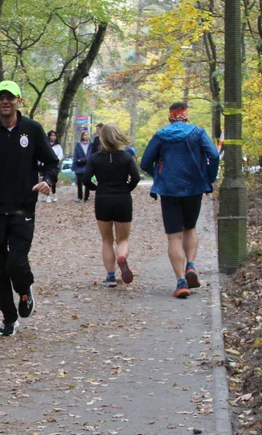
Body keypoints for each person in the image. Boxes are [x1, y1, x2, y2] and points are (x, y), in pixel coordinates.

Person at [0, 80, 59, 336]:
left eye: (10, 97)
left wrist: (47, 181)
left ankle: (25, 290)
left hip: (23, 207)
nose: (5, 101)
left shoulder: (32, 129)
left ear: (19, 101)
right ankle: (8, 317)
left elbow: (51, 162)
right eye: (1, 97)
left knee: (15, 263)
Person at [140, 101, 220, 298]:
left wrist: (159, 175)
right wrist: (207, 178)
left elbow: (144, 162)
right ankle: (191, 266)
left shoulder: (161, 135)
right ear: (186, 115)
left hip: (169, 190)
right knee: (190, 228)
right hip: (194, 188)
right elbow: (214, 156)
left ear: (170, 116)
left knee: (174, 236)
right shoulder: (198, 133)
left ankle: (181, 282)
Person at [85, 123, 141, 287]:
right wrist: (126, 189)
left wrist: (96, 188)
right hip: (122, 198)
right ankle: (121, 258)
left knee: (106, 240)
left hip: (103, 198)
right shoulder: (126, 157)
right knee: (122, 239)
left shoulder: (94, 158)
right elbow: (136, 178)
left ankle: (110, 276)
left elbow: (85, 179)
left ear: (101, 137)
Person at [72, 130, 93, 202]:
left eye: (87, 134)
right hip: (79, 165)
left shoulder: (91, 145)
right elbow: (75, 155)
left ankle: (86, 198)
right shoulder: (78, 145)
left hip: (88, 166)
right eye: (85, 135)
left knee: (87, 181)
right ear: (82, 136)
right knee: (79, 182)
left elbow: (93, 155)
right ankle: (79, 197)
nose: (86, 136)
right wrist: (73, 166)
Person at [44, 131, 64, 203]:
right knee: (47, 180)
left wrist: (56, 160)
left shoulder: (58, 146)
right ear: (49, 136)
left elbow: (60, 155)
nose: (53, 137)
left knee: (53, 181)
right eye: (51, 135)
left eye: (54, 136)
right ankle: (48, 196)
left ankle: (54, 193)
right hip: (47, 165)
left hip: (54, 166)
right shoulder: (46, 145)